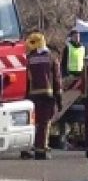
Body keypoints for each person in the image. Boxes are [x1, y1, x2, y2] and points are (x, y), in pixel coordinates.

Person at [24, 31, 62, 160]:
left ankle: (30, 147)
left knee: (33, 122)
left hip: (32, 95)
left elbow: (25, 79)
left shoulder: (28, 58)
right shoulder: (51, 57)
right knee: (45, 123)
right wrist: (59, 97)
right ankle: (41, 149)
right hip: (47, 94)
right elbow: (57, 79)